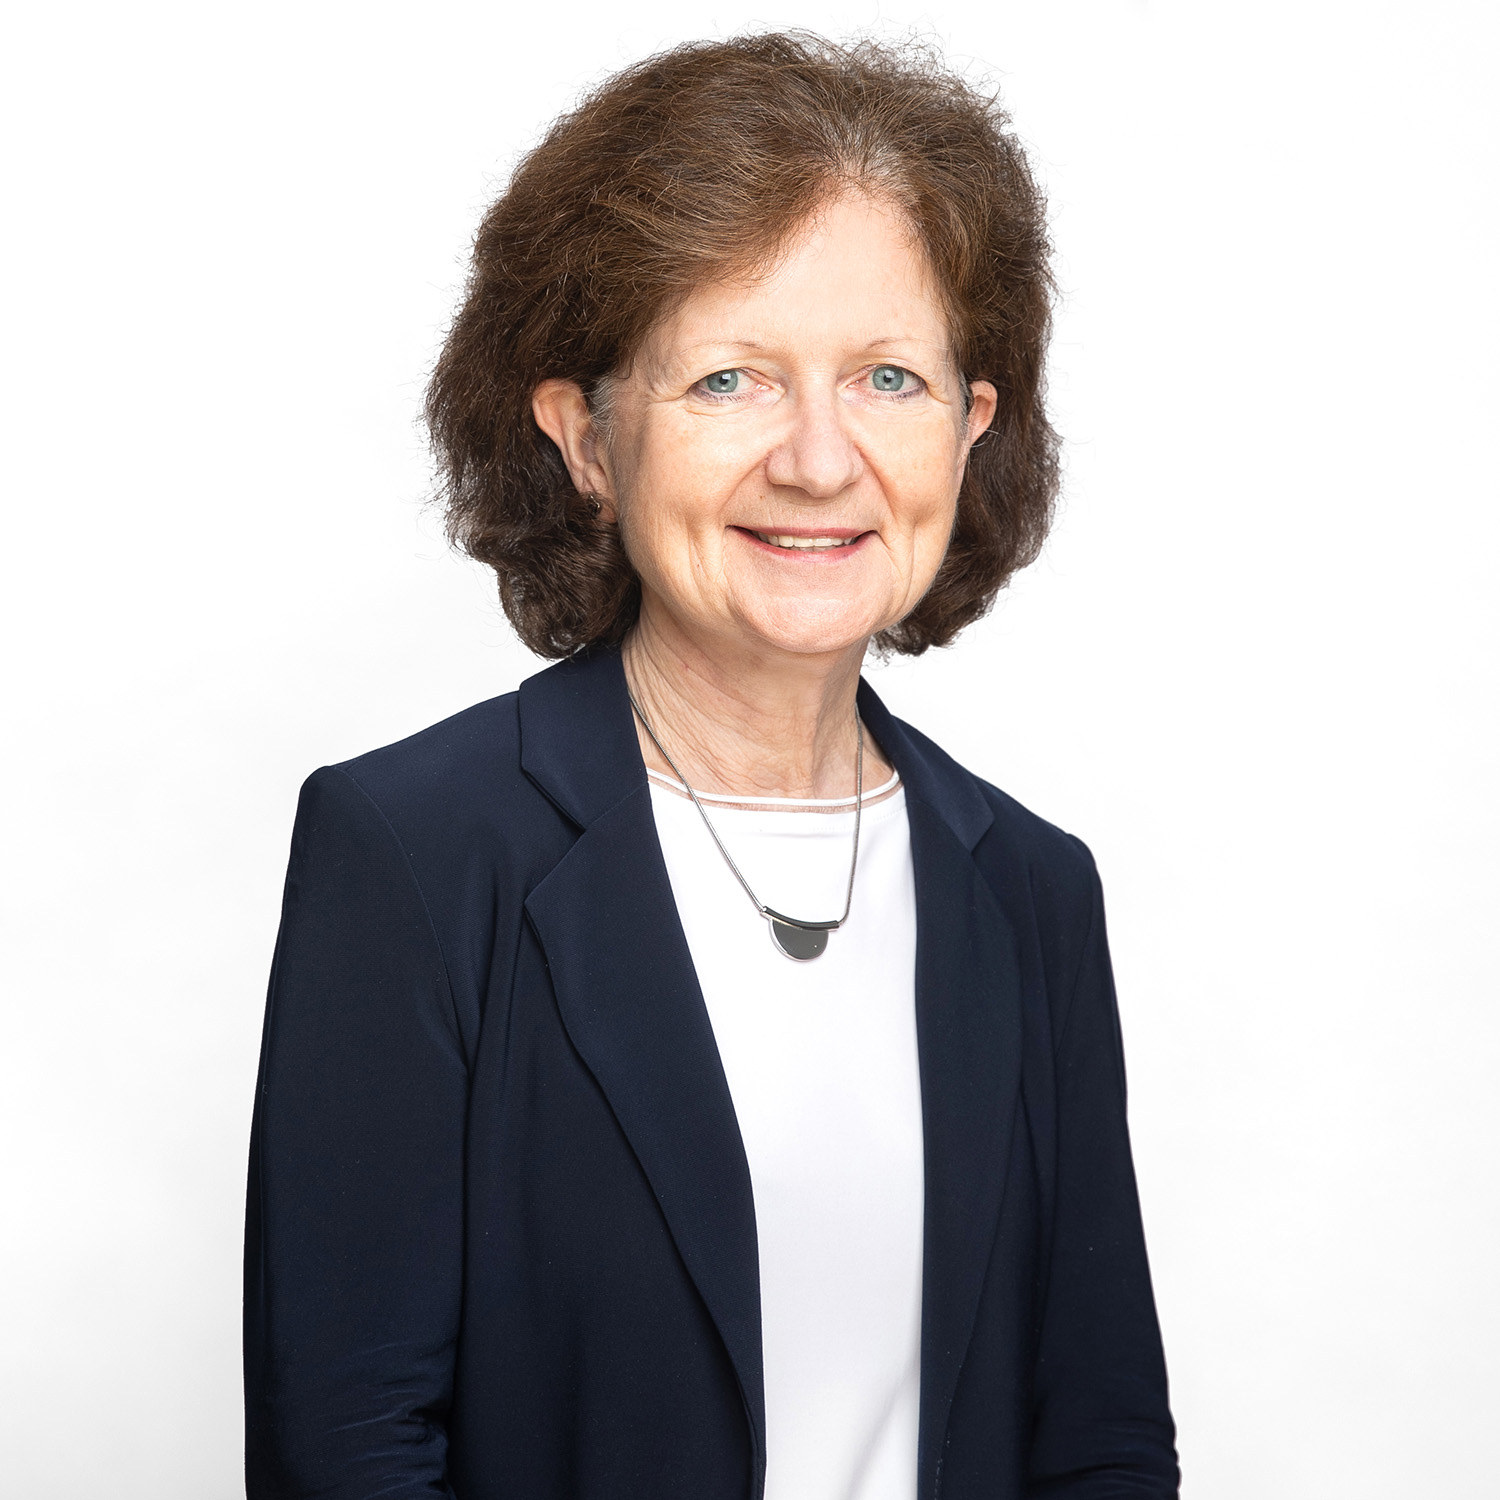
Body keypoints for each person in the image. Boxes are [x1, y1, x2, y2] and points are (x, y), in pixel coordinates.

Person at [243, 31, 1179, 1500]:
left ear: (970, 427)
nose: (819, 459)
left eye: (888, 376)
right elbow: (348, 1452)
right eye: (732, 380)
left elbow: (1103, 1441)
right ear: (586, 439)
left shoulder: (1032, 892)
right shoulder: (417, 855)